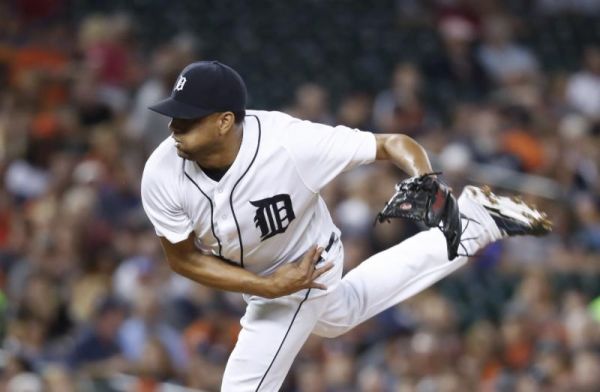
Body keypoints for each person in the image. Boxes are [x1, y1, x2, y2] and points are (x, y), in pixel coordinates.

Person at [141, 60, 550, 391]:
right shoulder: (162, 172)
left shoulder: (291, 144)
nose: (174, 128)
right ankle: (476, 221)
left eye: (187, 120)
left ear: (225, 121)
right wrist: (266, 285)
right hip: (263, 280)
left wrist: (426, 178)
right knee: (341, 314)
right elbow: (182, 259)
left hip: (307, 265)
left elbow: (392, 143)